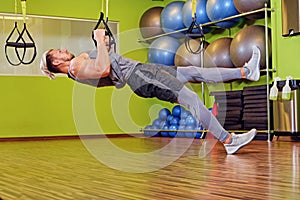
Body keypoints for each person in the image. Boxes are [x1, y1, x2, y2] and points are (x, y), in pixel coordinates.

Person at [40, 29, 261, 154]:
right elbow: (105, 68)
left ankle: (245, 72)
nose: (64, 50)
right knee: (191, 98)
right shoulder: (76, 65)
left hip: (142, 71)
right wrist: (99, 41)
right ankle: (228, 140)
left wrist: (106, 51)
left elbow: (110, 79)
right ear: (55, 62)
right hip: (141, 77)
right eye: (58, 51)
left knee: (194, 71)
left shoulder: (77, 70)